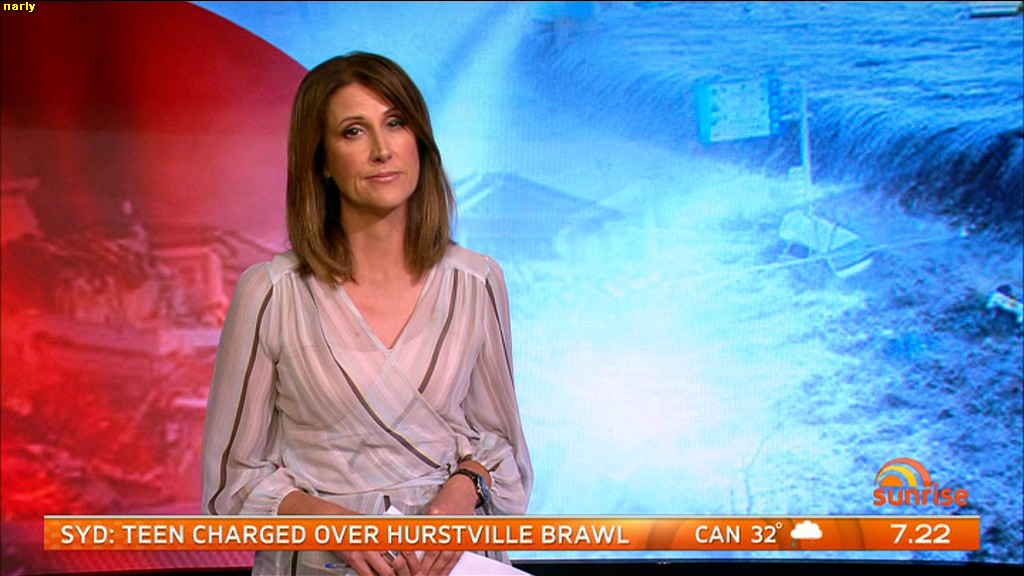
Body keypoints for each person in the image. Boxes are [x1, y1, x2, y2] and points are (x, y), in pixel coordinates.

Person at [202, 51, 533, 576]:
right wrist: (328, 522)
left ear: (419, 141)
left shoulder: (476, 281)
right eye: (354, 132)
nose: (382, 150)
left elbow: (502, 447)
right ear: (322, 161)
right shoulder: (271, 293)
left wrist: (464, 490)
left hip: (452, 562)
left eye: (395, 123)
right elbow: (231, 483)